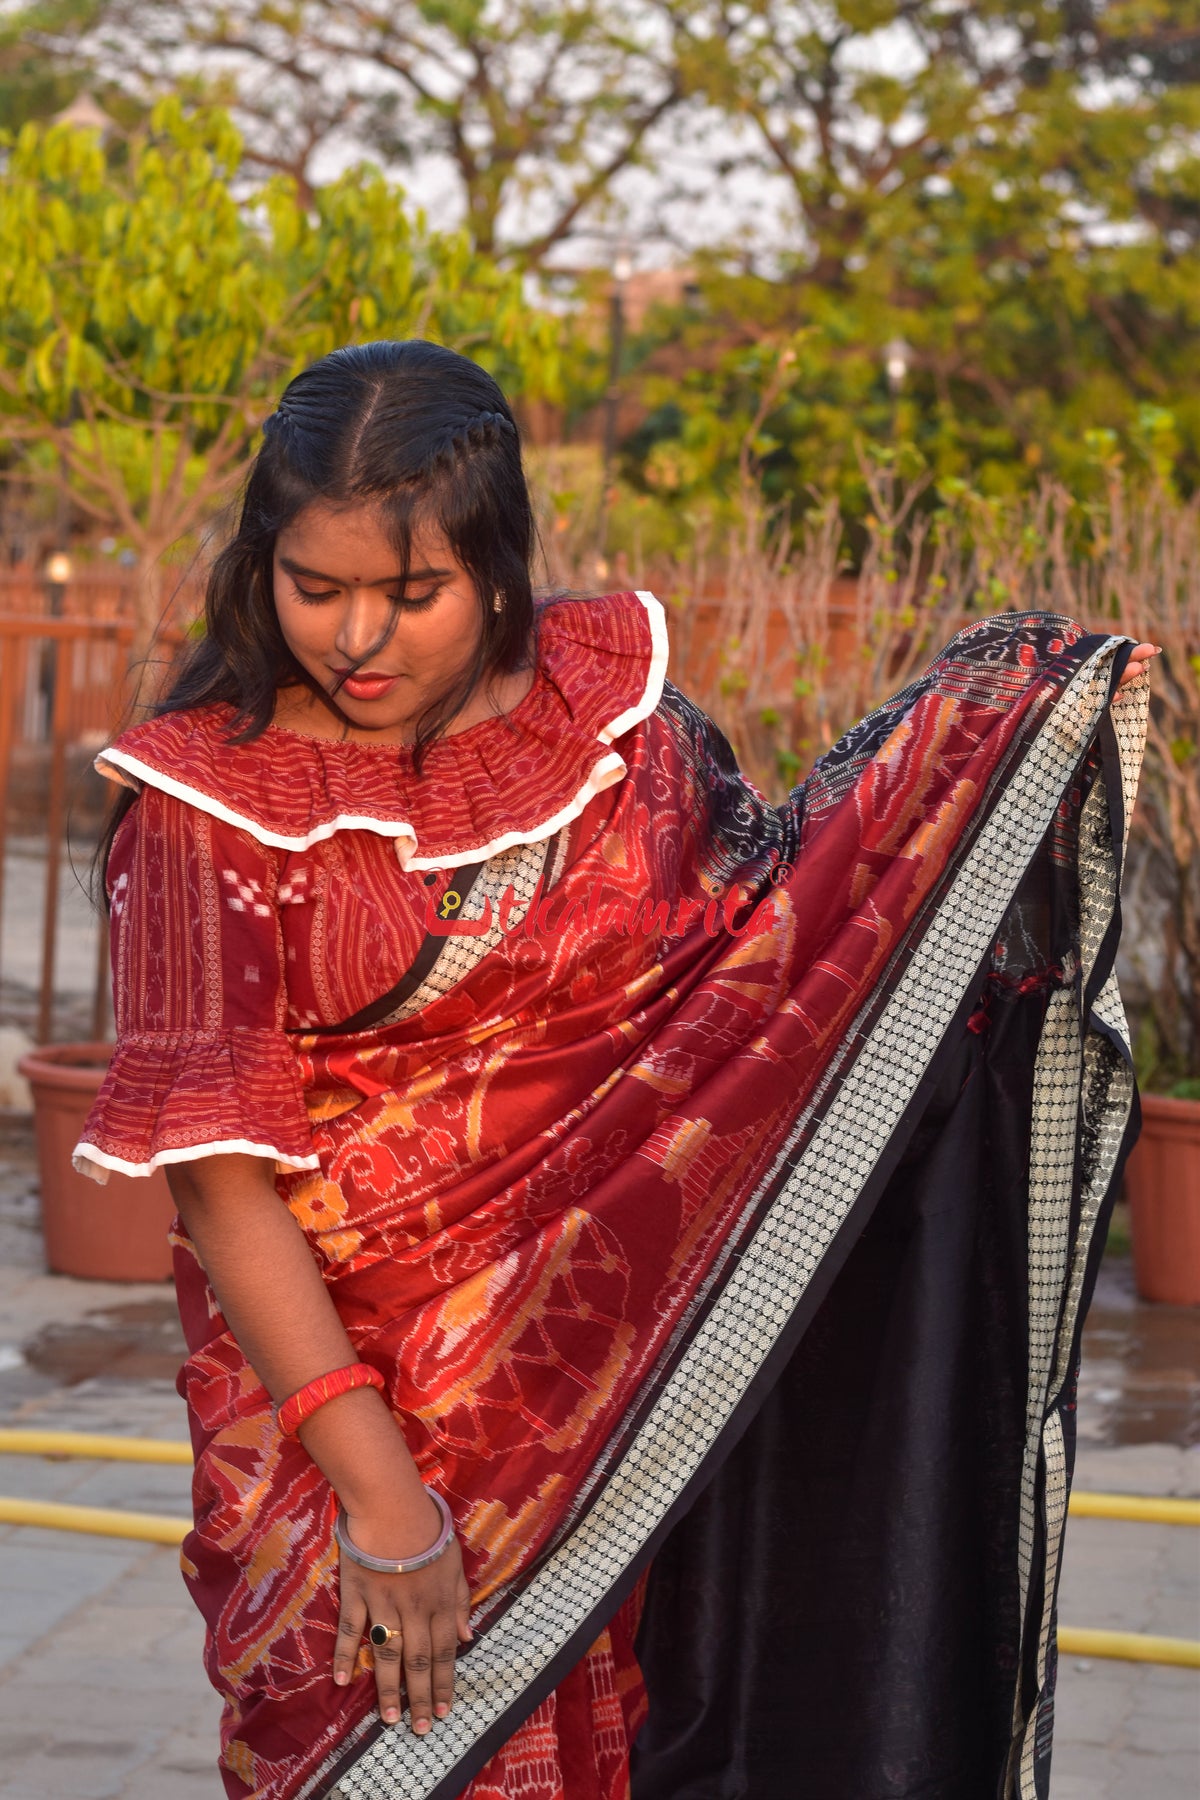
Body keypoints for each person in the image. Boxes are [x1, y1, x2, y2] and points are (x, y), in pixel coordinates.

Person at [75, 339, 1157, 1800]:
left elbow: (754, 969)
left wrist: (997, 748)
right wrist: (388, 1506)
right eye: (313, 586)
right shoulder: (205, 809)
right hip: (336, 1420)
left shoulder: (617, 738)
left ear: (503, 570)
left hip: (617, 1383)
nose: (357, 638)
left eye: (414, 592)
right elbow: (216, 1189)